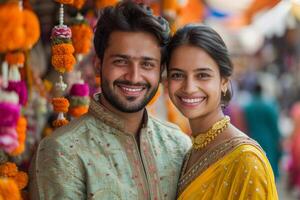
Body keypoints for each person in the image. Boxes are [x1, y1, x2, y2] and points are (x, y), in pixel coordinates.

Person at [29, 2, 191, 199]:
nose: (133, 76)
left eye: (147, 64)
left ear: (160, 71)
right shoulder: (63, 151)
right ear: (98, 65)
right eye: (121, 61)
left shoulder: (178, 145)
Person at [166, 24, 278, 199]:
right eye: (177, 75)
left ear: (224, 81)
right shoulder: (187, 152)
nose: (189, 88)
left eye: (202, 75)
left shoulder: (246, 162)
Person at [243, 81, 282, 179]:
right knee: (269, 166)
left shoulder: (247, 107)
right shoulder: (269, 106)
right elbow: (274, 125)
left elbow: (244, 124)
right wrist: (278, 139)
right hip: (268, 141)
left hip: (252, 138)